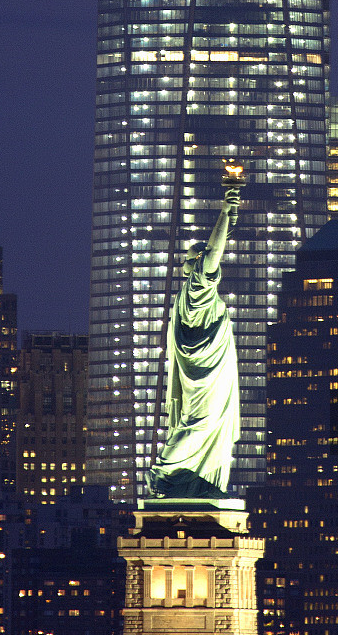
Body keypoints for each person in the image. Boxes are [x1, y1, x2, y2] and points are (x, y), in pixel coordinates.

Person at [145, 187, 241, 498]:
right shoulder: (197, 288)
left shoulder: (192, 295)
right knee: (200, 425)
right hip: (203, 380)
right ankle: (163, 472)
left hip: (207, 376)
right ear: (196, 265)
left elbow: (213, 253)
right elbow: (214, 253)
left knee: (206, 427)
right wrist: (224, 214)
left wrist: (229, 220)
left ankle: (196, 483)